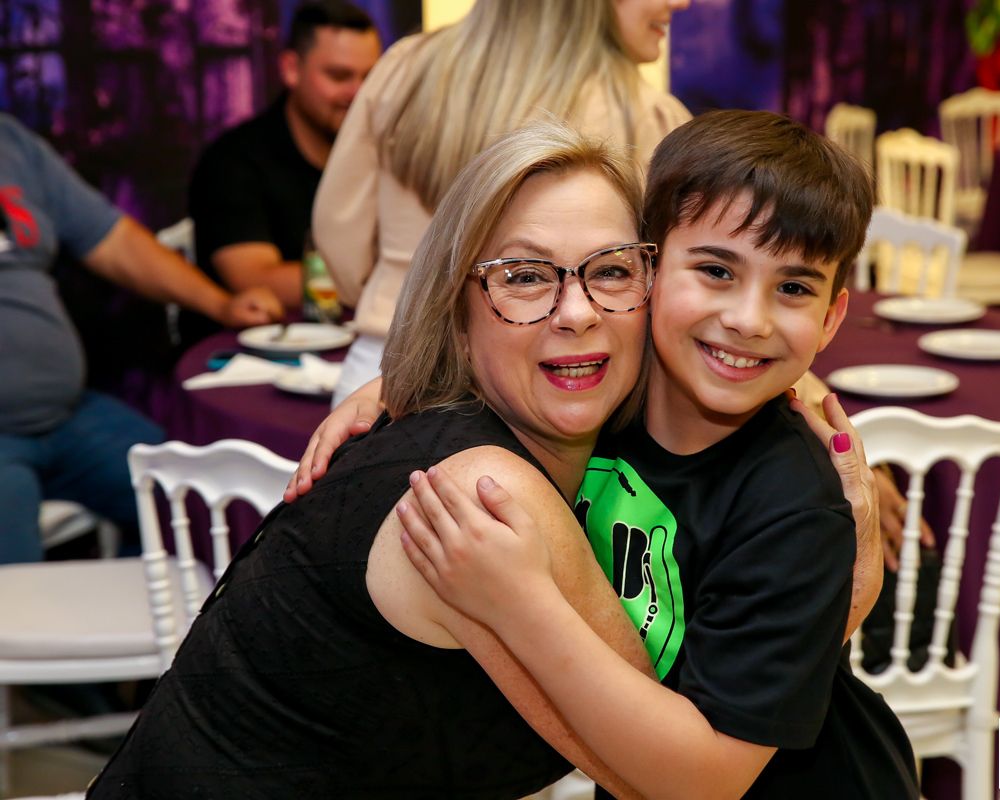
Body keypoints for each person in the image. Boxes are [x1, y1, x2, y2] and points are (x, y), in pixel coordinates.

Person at [87, 121, 878, 799]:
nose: (577, 312)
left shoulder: (646, 427)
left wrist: (822, 596)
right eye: (524, 277)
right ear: (458, 311)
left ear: (641, 281)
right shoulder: (480, 499)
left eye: (608, 271)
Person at [291, 112, 918, 799]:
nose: (748, 319)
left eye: (793, 288)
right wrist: (387, 390)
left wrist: (519, 603)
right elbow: (506, 356)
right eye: (715, 270)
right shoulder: (608, 393)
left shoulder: (793, 505)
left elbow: (710, 783)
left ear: (831, 317)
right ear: (647, 268)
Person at [312, 0, 692, 406]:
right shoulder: (640, 112)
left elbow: (339, 231)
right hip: (561, 376)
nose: (680, 2)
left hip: (382, 367)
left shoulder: (404, 68)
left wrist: (400, 302)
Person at [0, 113, 282, 565]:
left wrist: (221, 305)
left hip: (69, 415)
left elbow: (114, 241)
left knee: (200, 501)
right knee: (14, 589)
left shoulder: (11, 141)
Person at [188, 0, 381, 315]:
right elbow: (252, 278)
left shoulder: (385, 153)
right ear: (291, 69)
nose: (358, 93)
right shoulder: (233, 160)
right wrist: (389, 278)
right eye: (338, 76)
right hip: (259, 340)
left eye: (371, 78)